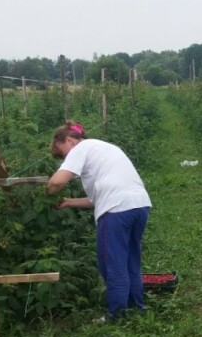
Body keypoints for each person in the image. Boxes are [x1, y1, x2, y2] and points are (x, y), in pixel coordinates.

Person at [46, 122, 152, 321]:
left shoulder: (81, 147)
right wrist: (68, 202)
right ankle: (136, 307)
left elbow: (57, 181)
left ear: (69, 140)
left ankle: (116, 315)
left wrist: (46, 193)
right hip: (139, 205)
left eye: (63, 154)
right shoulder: (104, 148)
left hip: (116, 210)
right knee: (131, 260)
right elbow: (96, 200)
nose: (65, 159)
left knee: (112, 264)